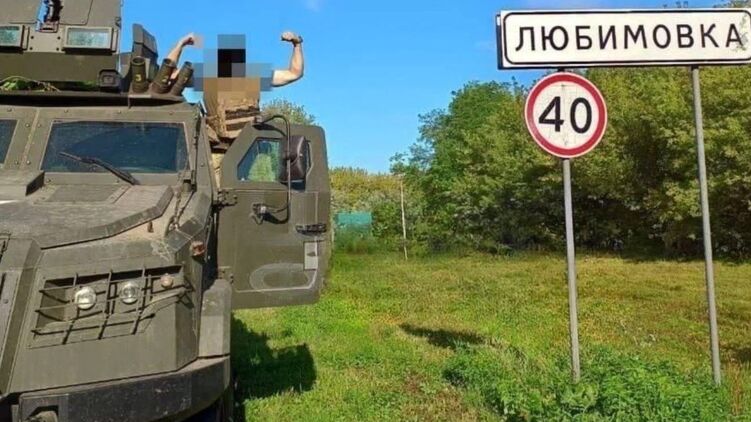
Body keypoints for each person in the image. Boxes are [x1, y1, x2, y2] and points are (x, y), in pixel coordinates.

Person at [167, 31, 305, 185]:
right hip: (216, 150)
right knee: (211, 189)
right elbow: (169, 76)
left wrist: (297, 44)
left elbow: (294, 73)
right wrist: (180, 44)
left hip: (245, 150)